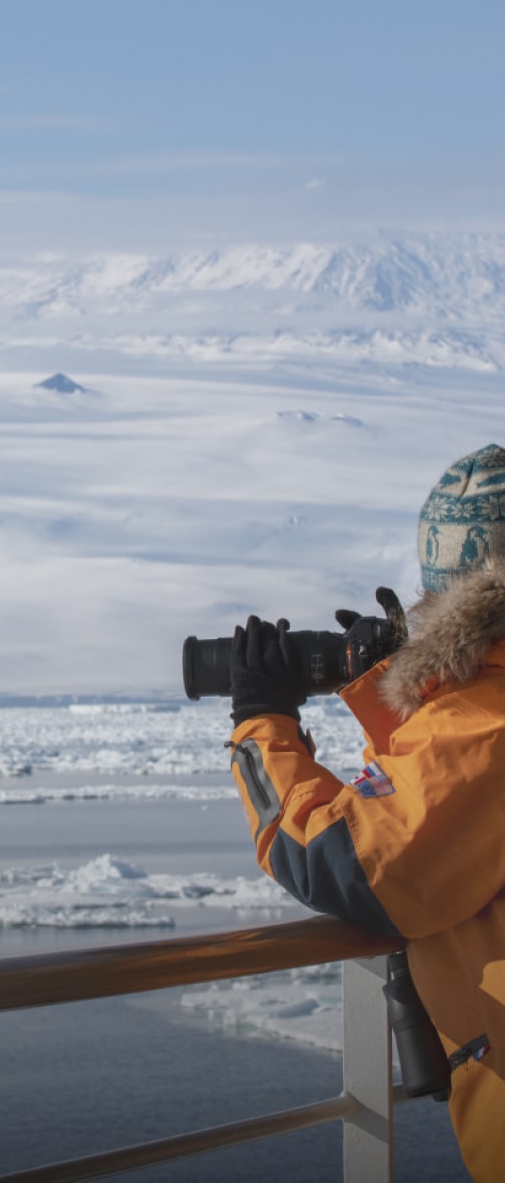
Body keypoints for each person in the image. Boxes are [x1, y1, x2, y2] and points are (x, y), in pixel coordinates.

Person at [227, 443, 505, 1183]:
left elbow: (350, 866)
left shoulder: (487, 724)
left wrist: (263, 722)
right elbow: (450, 802)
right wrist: (417, 690)